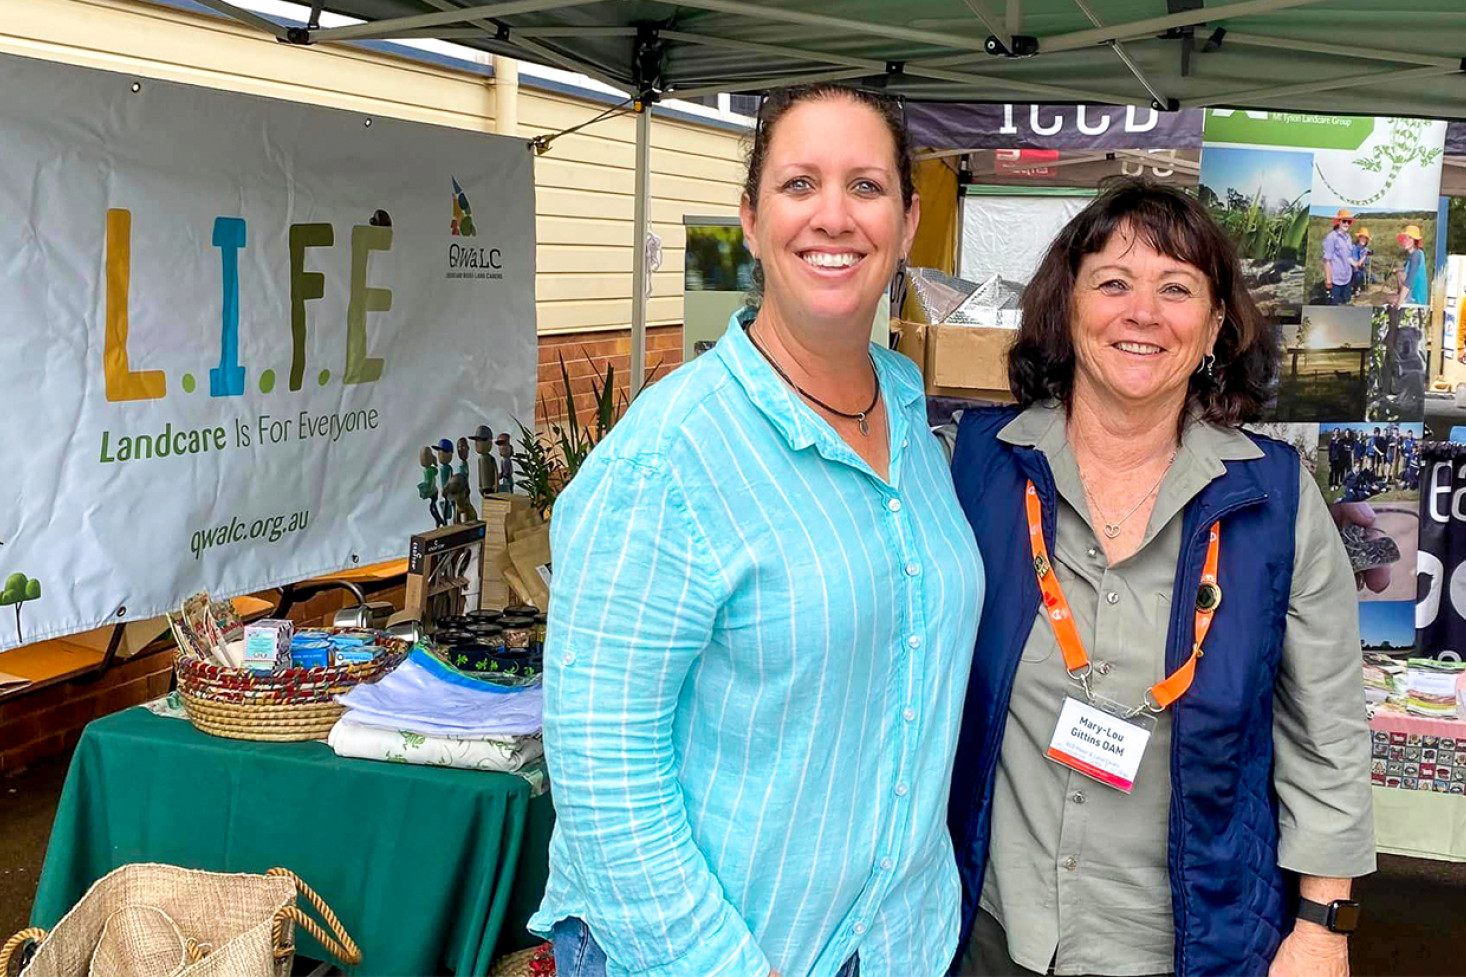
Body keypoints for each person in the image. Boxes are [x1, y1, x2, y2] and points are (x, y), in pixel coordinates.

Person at [530, 83, 985, 977]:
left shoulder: (905, 403)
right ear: (748, 217)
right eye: (798, 184)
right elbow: (602, 765)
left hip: (898, 943)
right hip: (721, 952)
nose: (833, 216)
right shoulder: (667, 459)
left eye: (865, 186)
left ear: (906, 218)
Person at [948, 179, 1374, 977]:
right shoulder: (979, 467)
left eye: (1176, 288)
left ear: (1214, 326)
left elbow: (1329, 735)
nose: (1142, 313)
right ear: (1067, 309)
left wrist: (1322, 926)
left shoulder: (1276, 500)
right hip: (990, 934)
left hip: (1194, 946)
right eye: (1113, 283)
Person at [1323, 208, 1356, 305]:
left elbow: (1348, 257)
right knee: (1333, 305)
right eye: (1344, 221)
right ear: (1338, 222)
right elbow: (1327, 261)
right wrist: (1328, 281)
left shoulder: (1348, 237)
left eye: (1349, 221)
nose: (1346, 224)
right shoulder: (1331, 237)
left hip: (1347, 278)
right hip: (1335, 280)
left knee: (1346, 301)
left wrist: (1356, 264)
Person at [1396, 224, 1429, 306]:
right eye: (1405, 238)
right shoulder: (1414, 254)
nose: (1406, 240)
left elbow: (1409, 282)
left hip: (1416, 300)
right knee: (1399, 273)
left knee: (1386, 299)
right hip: (1412, 295)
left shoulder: (1416, 255)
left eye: (1410, 238)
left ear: (1415, 241)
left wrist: (1399, 303)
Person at [1352, 226, 1373, 293]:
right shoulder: (1354, 248)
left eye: (1365, 238)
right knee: (1358, 275)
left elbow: (1367, 261)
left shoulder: (1365, 249)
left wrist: (1370, 254)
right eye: (1362, 237)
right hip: (1352, 270)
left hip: (1362, 269)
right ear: (1358, 238)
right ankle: (1356, 288)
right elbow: (1357, 264)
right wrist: (1365, 255)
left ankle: (1361, 284)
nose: (1363, 239)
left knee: (1374, 278)